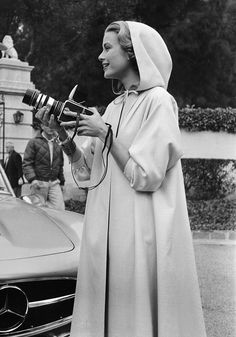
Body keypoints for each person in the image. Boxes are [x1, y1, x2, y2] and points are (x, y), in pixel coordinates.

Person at [36, 21, 207, 337]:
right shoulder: (114, 107)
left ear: (132, 52)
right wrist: (63, 136)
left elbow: (146, 176)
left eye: (107, 47)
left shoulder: (159, 102)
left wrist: (104, 133)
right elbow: (90, 171)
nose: (100, 56)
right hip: (109, 235)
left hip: (141, 234)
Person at [22, 123, 65, 210]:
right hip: (39, 182)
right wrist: (33, 179)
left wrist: (62, 182)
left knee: (60, 209)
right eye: (47, 125)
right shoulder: (33, 142)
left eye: (52, 125)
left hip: (54, 182)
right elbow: (27, 163)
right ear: (42, 126)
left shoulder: (58, 143)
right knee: (38, 212)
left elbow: (60, 164)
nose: (50, 127)